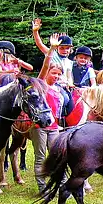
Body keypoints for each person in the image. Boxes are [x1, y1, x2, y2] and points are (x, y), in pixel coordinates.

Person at [31, 49, 65, 193]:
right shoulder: (41, 85)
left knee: (57, 156)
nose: (56, 76)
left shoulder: (58, 89)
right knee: (40, 157)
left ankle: (62, 184)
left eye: (59, 74)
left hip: (54, 127)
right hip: (39, 126)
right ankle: (42, 187)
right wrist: (51, 50)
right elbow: (45, 66)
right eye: (54, 73)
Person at [31, 18, 74, 87]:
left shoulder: (69, 62)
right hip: (51, 85)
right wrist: (35, 32)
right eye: (62, 48)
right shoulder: (52, 54)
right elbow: (40, 44)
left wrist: (70, 84)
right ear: (57, 48)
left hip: (63, 86)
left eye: (67, 48)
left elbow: (69, 77)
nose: (65, 51)